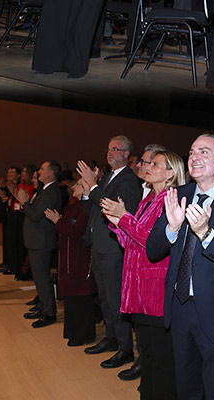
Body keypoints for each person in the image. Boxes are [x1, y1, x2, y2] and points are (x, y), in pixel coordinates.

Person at [146, 131, 214, 400]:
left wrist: (206, 234)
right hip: (180, 307)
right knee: (186, 386)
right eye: (192, 152)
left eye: (204, 152)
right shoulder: (179, 195)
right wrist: (171, 228)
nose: (194, 157)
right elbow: (152, 250)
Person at [101, 147, 186, 400]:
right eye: (148, 164)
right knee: (146, 350)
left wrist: (125, 218)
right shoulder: (148, 199)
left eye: (155, 165)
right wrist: (118, 223)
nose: (147, 167)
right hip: (138, 287)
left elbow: (154, 242)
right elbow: (131, 243)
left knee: (161, 354)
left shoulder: (171, 201)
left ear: (171, 174)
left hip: (156, 288)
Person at [77, 134, 142, 369]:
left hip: (114, 248)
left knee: (115, 300)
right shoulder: (108, 177)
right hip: (100, 245)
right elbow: (93, 207)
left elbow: (112, 208)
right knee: (104, 297)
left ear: (127, 154)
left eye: (115, 149)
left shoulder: (128, 180)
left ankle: (125, 349)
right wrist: (87, 190)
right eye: (108, 148)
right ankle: (112, 338)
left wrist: (94, 187)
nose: (109, 152)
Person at [43, 176, 97, 345]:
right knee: (71, 297)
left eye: (79, 184)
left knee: (81, 296)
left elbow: (77, 232)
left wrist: (58, 221)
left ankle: (84, 334)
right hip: (68, 255)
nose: (74, 186)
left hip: (80, 256)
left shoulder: (87, 208)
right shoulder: (74, 206)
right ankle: (73, 330)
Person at [20, 159, 63, 327]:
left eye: (42, 169)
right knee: (38, 277)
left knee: (42, 277)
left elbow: (37, 215)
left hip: (41, 240)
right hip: (36, 240)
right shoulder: (44, 189)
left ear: (51, 173)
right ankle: (42, 305)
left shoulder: (51, 192)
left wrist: (24, 203)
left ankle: (49, 313)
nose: (39, 171)